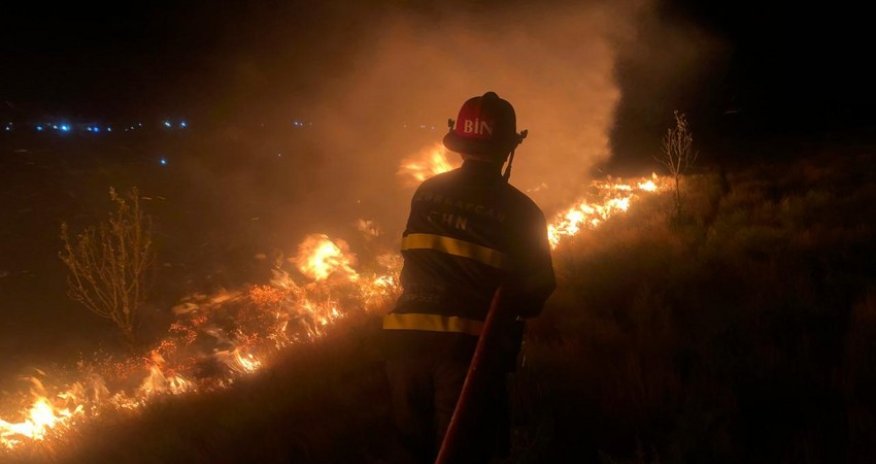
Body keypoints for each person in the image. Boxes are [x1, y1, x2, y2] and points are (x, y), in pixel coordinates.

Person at [383, 91, 555, 463]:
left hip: (404, 343)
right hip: (466, 354)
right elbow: (539, 291)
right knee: (465, 453)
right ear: (508, 148)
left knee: (409, 450)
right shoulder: (523, 212)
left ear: (459, 144)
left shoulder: (426, 193)